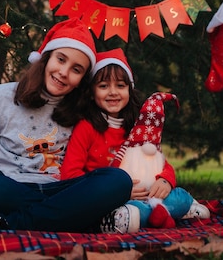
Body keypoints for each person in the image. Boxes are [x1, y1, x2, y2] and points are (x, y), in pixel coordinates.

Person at [0, 18, 139, 234]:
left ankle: (5, 224)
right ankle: (81, 220)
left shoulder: (82, 111)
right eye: (60, 59)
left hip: (60, 191)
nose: (63, 72)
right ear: (45, 58)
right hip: (9, 189)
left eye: (76, 69)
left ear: (82, 79)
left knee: (118, 181)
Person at [60, 48, 209, 228]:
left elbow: (159, 161)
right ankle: (150, 215)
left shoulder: (138, 125)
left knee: (176, 196)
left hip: (147, 195)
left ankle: (176, 206)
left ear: (129, 90)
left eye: (120, 86)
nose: (113, 92)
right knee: (133, 211)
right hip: (109, 199)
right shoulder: (86, 127)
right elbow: (70, 174)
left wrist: (165, 180)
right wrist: (114, 192)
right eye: (103, 86)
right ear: (92, 92)